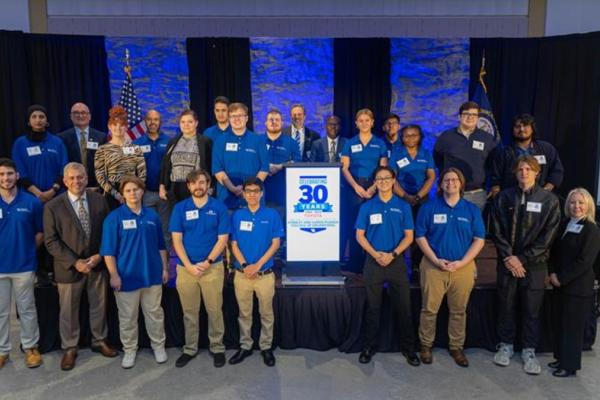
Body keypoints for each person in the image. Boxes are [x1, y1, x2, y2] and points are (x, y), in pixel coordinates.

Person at [490, 155, 561, 375]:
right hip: (507, 262)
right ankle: (506, 345)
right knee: (506, 305)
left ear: (537, 172)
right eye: (520, 169)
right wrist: (510, 257)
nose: (524, 173)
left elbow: (548, 237)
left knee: (532, 309)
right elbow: (497, 230)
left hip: (535, 265)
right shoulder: (504, 197)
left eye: (528, 169)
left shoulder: (549, 200)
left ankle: (529, 350)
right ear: (514, 172)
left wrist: (523, 258)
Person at [43, 162, 117, 371]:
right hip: (69, 268)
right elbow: (51, 241)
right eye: (72, 178)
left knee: (99, 305)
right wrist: (75, 262)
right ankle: (69, 347)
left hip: (96, 264)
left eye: (80, 177)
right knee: (68, 310)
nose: (77, 181)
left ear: (86, 178)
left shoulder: (99, 200)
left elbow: (107, 232)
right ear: (65, 181)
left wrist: (98, 256)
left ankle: (99, 340)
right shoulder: (52, 207)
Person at [415, 168, 485, 367]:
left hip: (462, 267)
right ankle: (426, 346)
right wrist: (436, 260)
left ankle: (456, 347)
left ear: (461, 184)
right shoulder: (429, 208)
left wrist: (462, 263)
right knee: (429, 309)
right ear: (441, 184)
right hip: (433, 266)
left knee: (458, 311)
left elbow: (479, 239)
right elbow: (420, 236)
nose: (451, 183)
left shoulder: (471, 210)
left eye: (455, 179)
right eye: (446, 180)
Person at [100, 175, 169, 369]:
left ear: (142, 192)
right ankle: (130, 349)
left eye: (136, 189)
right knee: (128, 317)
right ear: (122, 194)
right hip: (126, 277)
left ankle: (158, 346)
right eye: (128, 190)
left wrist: (165, 268)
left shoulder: (152, 216)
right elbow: (108, 251)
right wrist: (114, 275)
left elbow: (160, 246)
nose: (133, 193)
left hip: (152, 275)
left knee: (155, 314)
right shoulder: (114, 218)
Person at [355, 166, 419, 366]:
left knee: (404, 308)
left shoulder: (403, 207)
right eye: (378, 179)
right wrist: (376, 255)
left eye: (386, 178)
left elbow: (410, 236)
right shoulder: (367, 207)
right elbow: (359, 236)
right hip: (373, 262)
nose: (382, 182)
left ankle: (409, 349)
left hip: (396, 262)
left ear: (393, 181)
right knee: (373, 308)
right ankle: (368, 347)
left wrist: (392, 255)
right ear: (375, 182)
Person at [169, 169, 230, 369]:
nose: (198, 186)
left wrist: (208, 262)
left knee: (214, 310)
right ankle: (190, 348)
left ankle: (217, 347)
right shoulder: (180, 208)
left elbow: (223, 239)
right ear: (188, 186)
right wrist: (188, 265)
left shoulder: (219, 208)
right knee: (189, 312)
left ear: (208, 185)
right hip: (186, 269)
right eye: (194, 183)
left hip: (212, 268)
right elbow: (176, 240)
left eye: (202, 182)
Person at [229, 178, 284, 367]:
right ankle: (245, 346)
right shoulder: (237, 216)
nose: (252, 194)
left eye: (255, 191)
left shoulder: (272, 215)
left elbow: (276, 243)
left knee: (266, 313)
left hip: (264, 275)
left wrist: (257, 265)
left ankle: (266, 347)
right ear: (243, 194)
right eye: (248, 191)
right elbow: (233, 244)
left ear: (261, 193)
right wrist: (245, 265)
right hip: (242, 274)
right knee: (244, 313)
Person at [548, 188, 600, 377]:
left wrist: (561, 278)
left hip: (577, 288)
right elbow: (553, 252)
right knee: (560, 324)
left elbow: (585, 261)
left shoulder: (591, 229)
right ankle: (560, 358)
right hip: (559, 285)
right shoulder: (564, 224)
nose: (576, 206)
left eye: (580, 203)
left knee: (572, 329)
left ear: (588, 206)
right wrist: (552, 273)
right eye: (572, 202)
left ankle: (569, 366)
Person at [0, 158, 43, 369]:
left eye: (9, 174)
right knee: (1, 312)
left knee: (27, 309)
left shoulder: (31, 202)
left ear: (17, 176)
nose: (5, 178)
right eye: (1, 174)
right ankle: (2, 350)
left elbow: (39, 233)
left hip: (24, 265)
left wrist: (26, 252)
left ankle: (30, 347)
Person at [341, 109, 387, 272]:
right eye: (361, 120)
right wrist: (356, 187)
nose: (364, 123)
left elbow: (383, 168)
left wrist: (374, 187)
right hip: (354, 187)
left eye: (367, 120)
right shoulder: (350, 143)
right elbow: (344, 168)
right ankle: (355, 262)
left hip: (376, 186)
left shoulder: (380, 143)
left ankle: (373, 259)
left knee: (374, 223)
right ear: (356, 123)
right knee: (355, 224)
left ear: (373, 122)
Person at [433, 101, 497, 210]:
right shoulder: (446, 137)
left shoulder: (487, 138)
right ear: (459, 117)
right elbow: (437, 159)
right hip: (450, 192)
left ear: (478, 118)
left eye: (474, 115)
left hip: (476, 193)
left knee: (474, 226)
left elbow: (492, 163)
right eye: (466, 114)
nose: (470, 117)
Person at [390, 124, 435, 272]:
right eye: (407, 135)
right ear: (402, 138)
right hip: (401, 198)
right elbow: (392, 178)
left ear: (420, 137)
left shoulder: (426, 153)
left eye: (414, 135)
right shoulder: (396, 153)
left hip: (421, 199)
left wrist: (419, 195)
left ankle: (417, 266)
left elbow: (431, 177)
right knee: (401, 232)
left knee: (420, 232)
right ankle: (400, 265)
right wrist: (405, 196)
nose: (410, 138)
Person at [490, 113, 564, 196]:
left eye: (525, 125)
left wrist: (544, 192)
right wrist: (498, 196)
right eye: (517, 126)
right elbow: (495, 178)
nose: (521, 129)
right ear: (512, 130)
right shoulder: (503, 152)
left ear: (532, 128)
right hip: (511, 198)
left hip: (540, 198)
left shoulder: (546, 149)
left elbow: (557, 171)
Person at [212, 103, 269, 210]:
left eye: (240, 116)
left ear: (246, 118)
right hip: (226, 198)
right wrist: (233, 189)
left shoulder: (258, 140)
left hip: (254, 198)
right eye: (233, 116)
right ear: (229, 119)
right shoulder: (220, 141)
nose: (236, 119)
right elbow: (217, 169)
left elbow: (264, 168)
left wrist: (249, 190)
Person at [12, 105, 68, 204]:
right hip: (29, 197)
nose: (38, 120)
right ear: (28, 121)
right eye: (34, 116)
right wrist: (38, 193)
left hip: (56, 196)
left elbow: (64, 169)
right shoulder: (20, 144)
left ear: (47, 121)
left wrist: (53, 191)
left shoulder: (57, 142)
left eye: (41, 117)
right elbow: (19, 170)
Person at [94, 106, 146, 210]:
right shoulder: (102, 150)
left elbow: (142, 173)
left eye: (122, 125)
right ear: (109, 126)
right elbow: (100, 176)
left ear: (126, 127)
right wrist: (115, 194)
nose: (118, 128)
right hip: (111, 194)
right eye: (114, 125)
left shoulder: (136, 149)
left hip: (133, 192)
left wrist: (136, 191)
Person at [159, 109, 212, 207]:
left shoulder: (205, 142)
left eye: (190, 122)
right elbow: (165, 165)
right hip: (174, 189)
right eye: (183, 122)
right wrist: (162, 186)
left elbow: (210, 166)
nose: (186, 124)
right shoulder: (173, 142)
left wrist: (209, 187)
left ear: (196, 123)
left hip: (196, 187)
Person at [133, 110, 170, 245]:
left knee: (165, 230)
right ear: (145, 121)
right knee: (148, 229)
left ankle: (165, 265)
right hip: (146, 193)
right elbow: (134, 169)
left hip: (164, 194)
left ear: (160, 122)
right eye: (149, 119)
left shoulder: (169, 141)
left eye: (156, 119)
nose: (152, 122)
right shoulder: (137, 143)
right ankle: (152, 262)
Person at [58, 102, 107, 189]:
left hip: (96, 186)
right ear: (71, 117)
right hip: (73, 185)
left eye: (83, 113)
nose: (80, 116)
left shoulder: (101, 137)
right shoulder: (62, 138)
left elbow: (104, 164)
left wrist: (99, 186)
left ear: (89, 116)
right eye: (76, 113)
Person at [264, 109, 301, 211]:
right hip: (261, 191)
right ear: (265, 122)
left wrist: (281, 166)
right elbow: (252, 161)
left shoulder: (291, 142)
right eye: (271, 119)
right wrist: (267, 166)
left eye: (277, 120)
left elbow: (298, 162)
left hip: (284, 191)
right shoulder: (258, 141)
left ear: (282, 123)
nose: (274, 122)